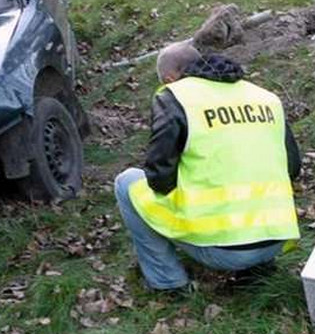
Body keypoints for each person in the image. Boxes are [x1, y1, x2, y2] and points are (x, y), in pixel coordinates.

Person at [114, 42, 302, 292]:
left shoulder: (175, 97)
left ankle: (168, 283)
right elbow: (293, 167)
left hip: (221, 249)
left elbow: (159, 178)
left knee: (126, 182)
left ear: (170, 79)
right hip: (276, 239)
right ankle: (258, 269)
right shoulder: (265, 98)